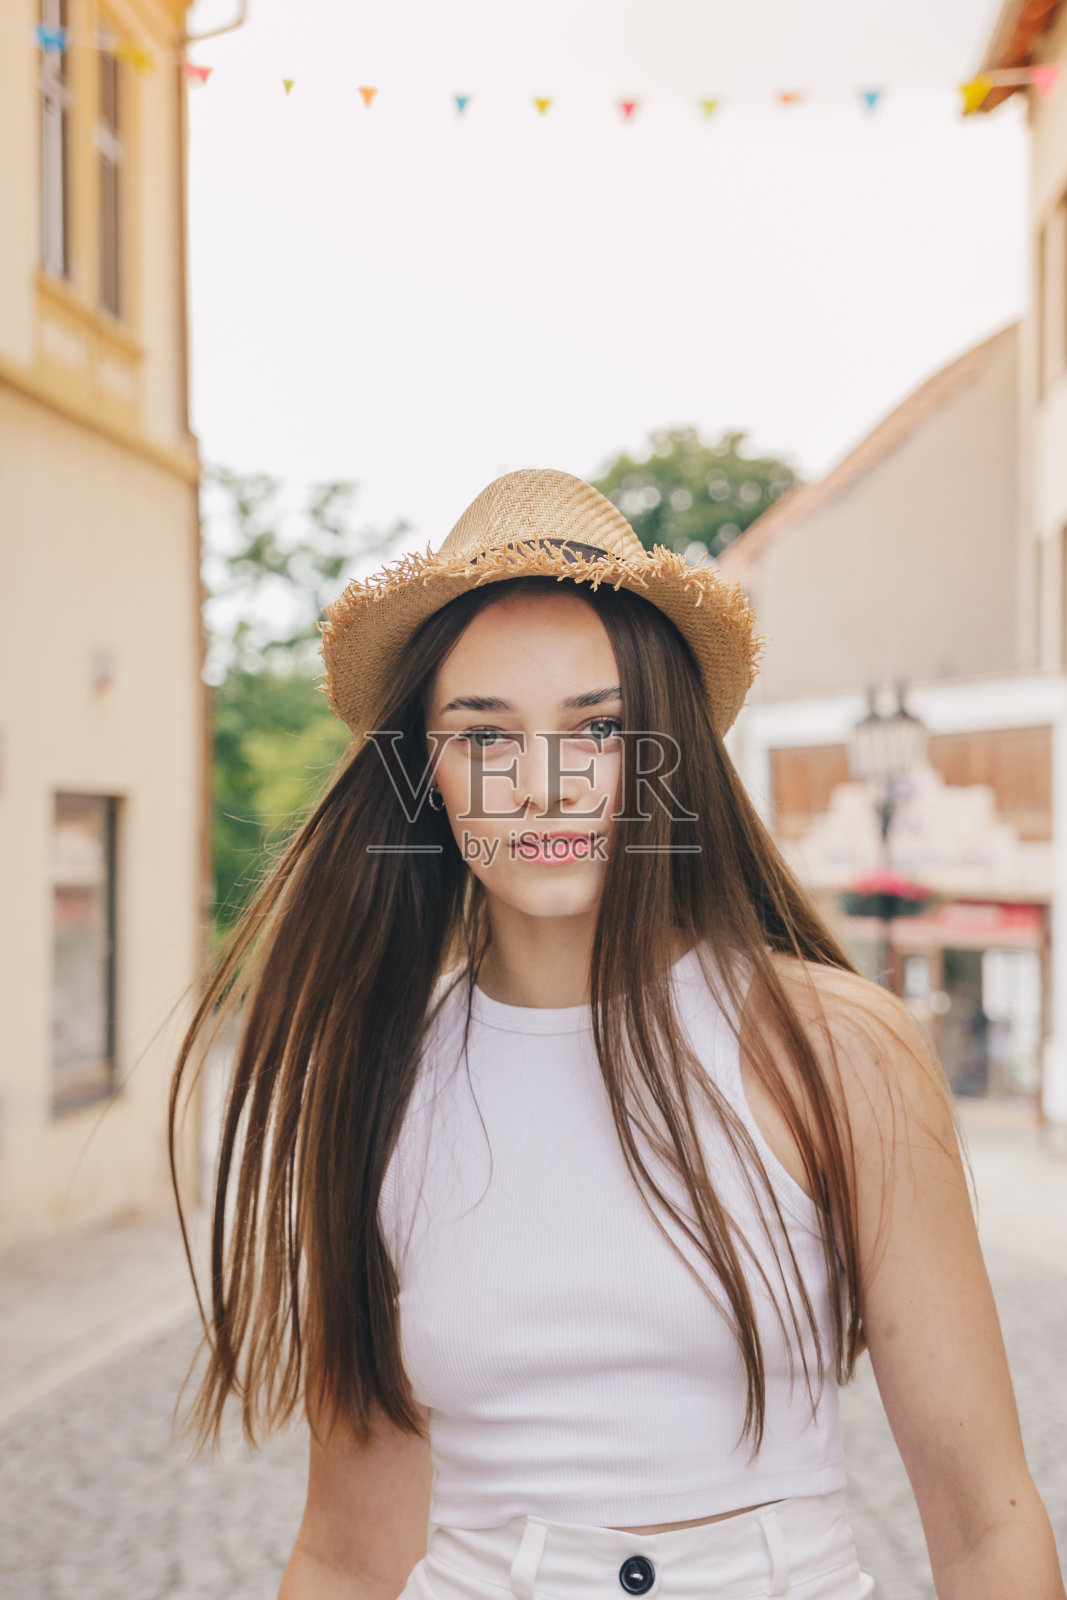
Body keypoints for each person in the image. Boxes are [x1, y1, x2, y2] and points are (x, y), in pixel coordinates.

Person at [168, 468, 1065, 1600]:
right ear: (427, 774)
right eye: (483, 738)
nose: (541, 789)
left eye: (596, 731)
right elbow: (348, 1554)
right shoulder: (378, 1076)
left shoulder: (837, 1053)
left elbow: (986, 1528)